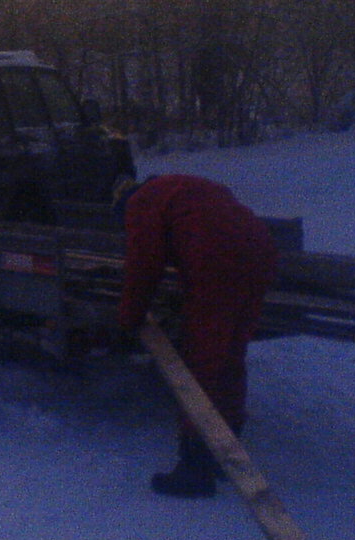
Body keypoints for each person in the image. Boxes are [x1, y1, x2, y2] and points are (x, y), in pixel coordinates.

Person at [114, 174, 278, 498]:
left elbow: (143, 267)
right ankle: (226, 453)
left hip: (219, 260)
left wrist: (129, 317)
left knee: (201, 364)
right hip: (261, 252)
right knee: (229, 357)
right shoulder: (176, 187)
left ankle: (195, 469)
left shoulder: (139, 204)